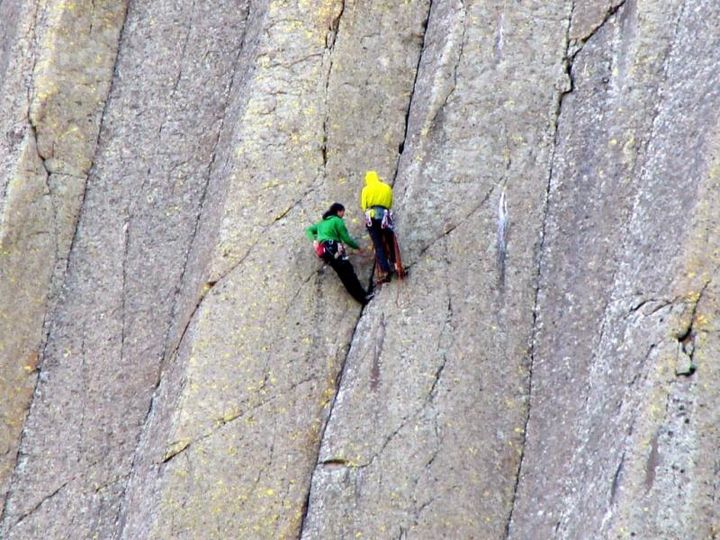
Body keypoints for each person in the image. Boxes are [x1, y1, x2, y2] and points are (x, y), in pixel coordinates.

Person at [306, 202, 374, 305]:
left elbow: (309, 230)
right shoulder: (337, 221)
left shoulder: (321, 223)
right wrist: (357, 247)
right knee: (349, 272)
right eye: (343, 212)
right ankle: (363, 297)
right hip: (334, 247)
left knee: (343, 275)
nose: (343, 215)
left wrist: (314, 240)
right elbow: (346, 238)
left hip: (325, 252)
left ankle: (361, 299)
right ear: (338, 211)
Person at [361, 170, 397, 282]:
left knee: (378, 245)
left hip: (371, 217)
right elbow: (390, 203)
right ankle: (395, 263)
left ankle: (385, 270)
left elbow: (364, 206)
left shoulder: (366, 190)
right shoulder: (386, 187)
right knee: (391, 240)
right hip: (385, 216)